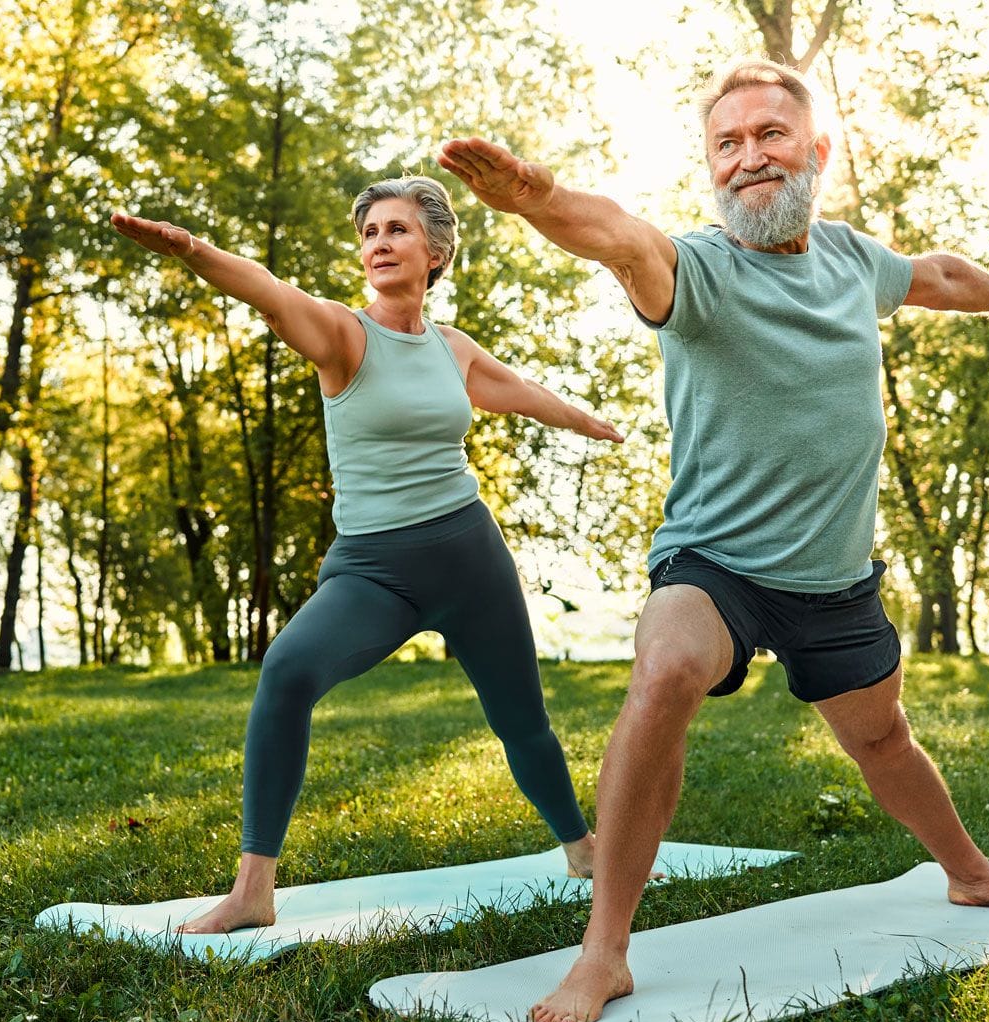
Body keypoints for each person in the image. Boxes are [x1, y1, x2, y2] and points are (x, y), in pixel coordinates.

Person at [437, 58, 989, 1022]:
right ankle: (603, 950)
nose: (749, 159)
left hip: (833, 579)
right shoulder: (696, 271)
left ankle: (971, 873)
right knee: (664, 669)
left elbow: (939, 274)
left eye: (770, 135)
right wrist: (539, 200)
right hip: (717, 566)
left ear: (815, 152)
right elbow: (619, 240)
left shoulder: (855, 261)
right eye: (726, 145)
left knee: (883, 740)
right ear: (710, 170)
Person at [109, 176, 624, 934]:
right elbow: (271, 294)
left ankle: (581, 849)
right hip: (376, 571)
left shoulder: (453, 348)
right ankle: (253, 889)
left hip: (471, 556)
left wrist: (587, 423)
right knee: (286, 671)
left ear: (438, 252)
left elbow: (516, 390)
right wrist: (191, 250)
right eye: (370, 233)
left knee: (522, 720)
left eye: (397, 230)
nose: (379, 243)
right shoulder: (343, 336)